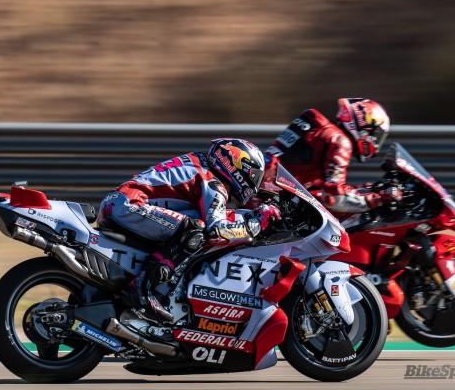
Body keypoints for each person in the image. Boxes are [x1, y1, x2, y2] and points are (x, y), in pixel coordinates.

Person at [98, 138, 280, 323]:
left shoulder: (200, 164)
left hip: (122, 203)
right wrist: (256, 224)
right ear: (236, 163)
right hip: (129, 205)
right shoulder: (212, 182)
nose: (254, 181)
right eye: (254, 174)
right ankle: (141, 289)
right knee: (194, 229)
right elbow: (217, 229)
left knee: (194, 223)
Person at [265, 98, 399, 219]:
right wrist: (375, 199)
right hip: (274, 196)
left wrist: (362, 189)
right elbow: (334, 196)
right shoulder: (340, 141)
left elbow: (316, 185)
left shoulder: (321, 128)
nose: (376, 143)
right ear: (365, 125)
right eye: (377, 135)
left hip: (266, 184)